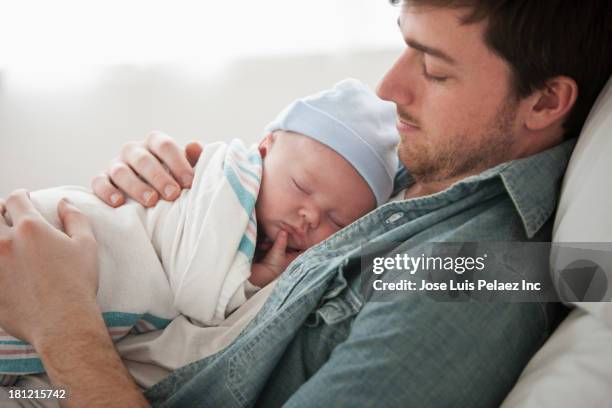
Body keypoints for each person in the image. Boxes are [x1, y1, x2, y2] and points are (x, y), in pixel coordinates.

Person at [0, 0, 611, 406]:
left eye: (434, 67)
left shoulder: (483, 271)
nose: (388, 89)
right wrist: (173, 190)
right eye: (405, 46)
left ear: (545, 101)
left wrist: (60, 322)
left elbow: (590, 277)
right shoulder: (424, 157)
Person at [0, 79, 398, 382]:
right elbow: (200, 290)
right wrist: (253, 281)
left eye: (337, 222)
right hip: (62, 233)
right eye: (301, 186)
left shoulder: (420, 270)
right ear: (264, 147)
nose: (310, 216)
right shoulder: (229, 184)